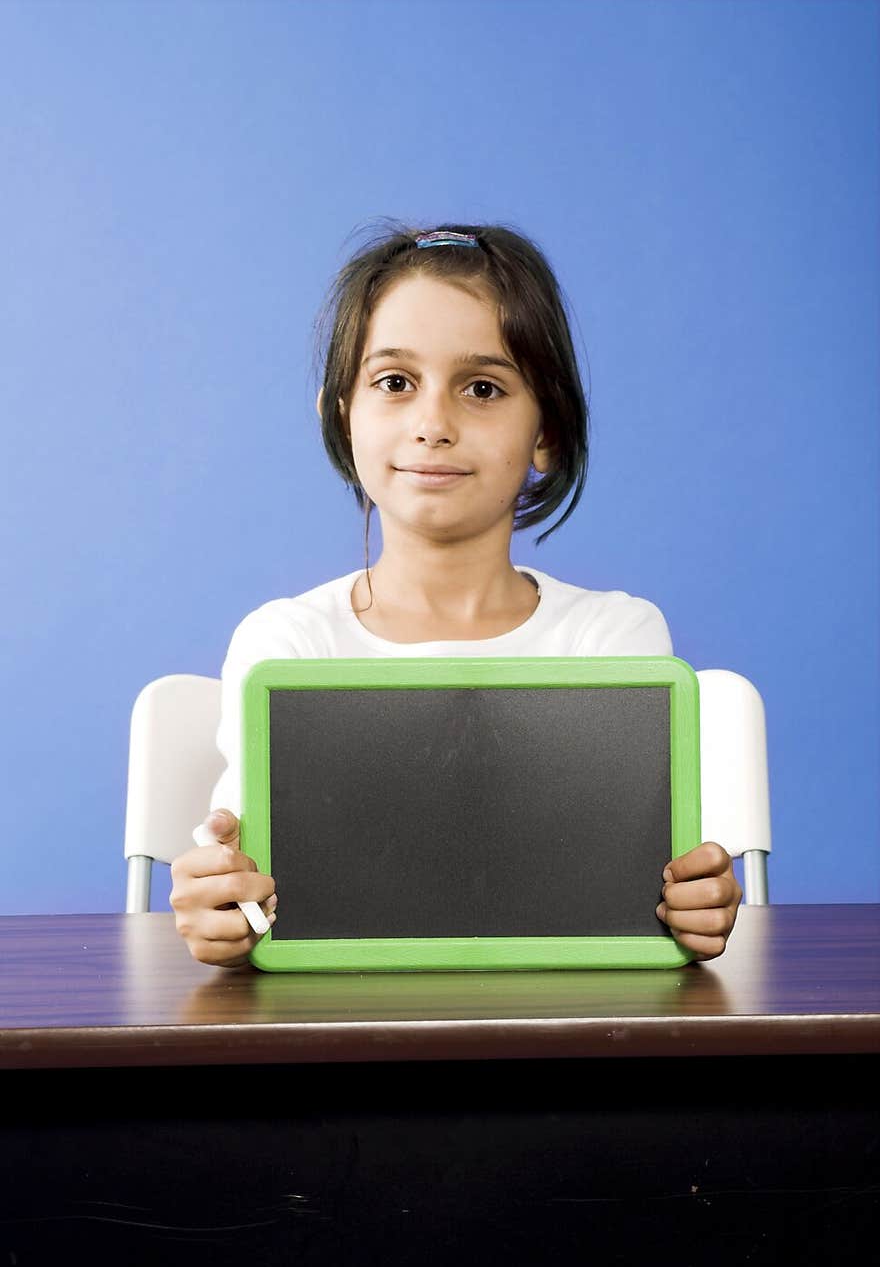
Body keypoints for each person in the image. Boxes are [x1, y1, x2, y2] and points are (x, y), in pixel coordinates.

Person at [170, 221, 742, 969]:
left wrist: (690, 905)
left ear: (548, 432)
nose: (432, 424)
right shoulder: (287, 643)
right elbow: (252, 900)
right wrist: (224, 907)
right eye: (394, 383)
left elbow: (629, 904)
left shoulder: (612, 639)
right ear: (342, 415)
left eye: (482, 388)